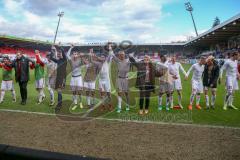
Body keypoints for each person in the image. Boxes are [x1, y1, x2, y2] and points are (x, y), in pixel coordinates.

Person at [50, 45, 69, 110]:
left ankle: (59, 105)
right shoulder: (58, 61)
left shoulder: (64, 60)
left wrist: (59, 46)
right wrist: (52, 50)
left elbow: (63, 52)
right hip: (58, 78)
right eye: (58, 53)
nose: (59, 54)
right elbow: (51, 58)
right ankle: (59, 104)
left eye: (60, 53)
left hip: (62, 78)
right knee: (58, 91)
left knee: (59, 91)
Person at [94, 46, 113, 111]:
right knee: (102, 94)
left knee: (108, 94)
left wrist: (110, 47)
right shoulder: (98, 64)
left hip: (107, 81)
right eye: (101, 57)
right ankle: (103, 106)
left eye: (103, 57)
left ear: (105, 58)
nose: (102, 58)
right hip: (101, 80)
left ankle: (110, 105)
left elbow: (110, 54)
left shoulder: (107, 62)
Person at [66, 44, 85, 110]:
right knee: (74, 91)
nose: (75, 55)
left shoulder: (80, 60)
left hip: (79, 77)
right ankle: (75, 103)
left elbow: (83, 62)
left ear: (77, 55)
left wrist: (82, 56)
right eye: (74, 54)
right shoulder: (71, 60)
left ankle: (80, 103)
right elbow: (67, 55)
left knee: (79, 91)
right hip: (73, 78)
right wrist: (70, 47)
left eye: (76, 54)